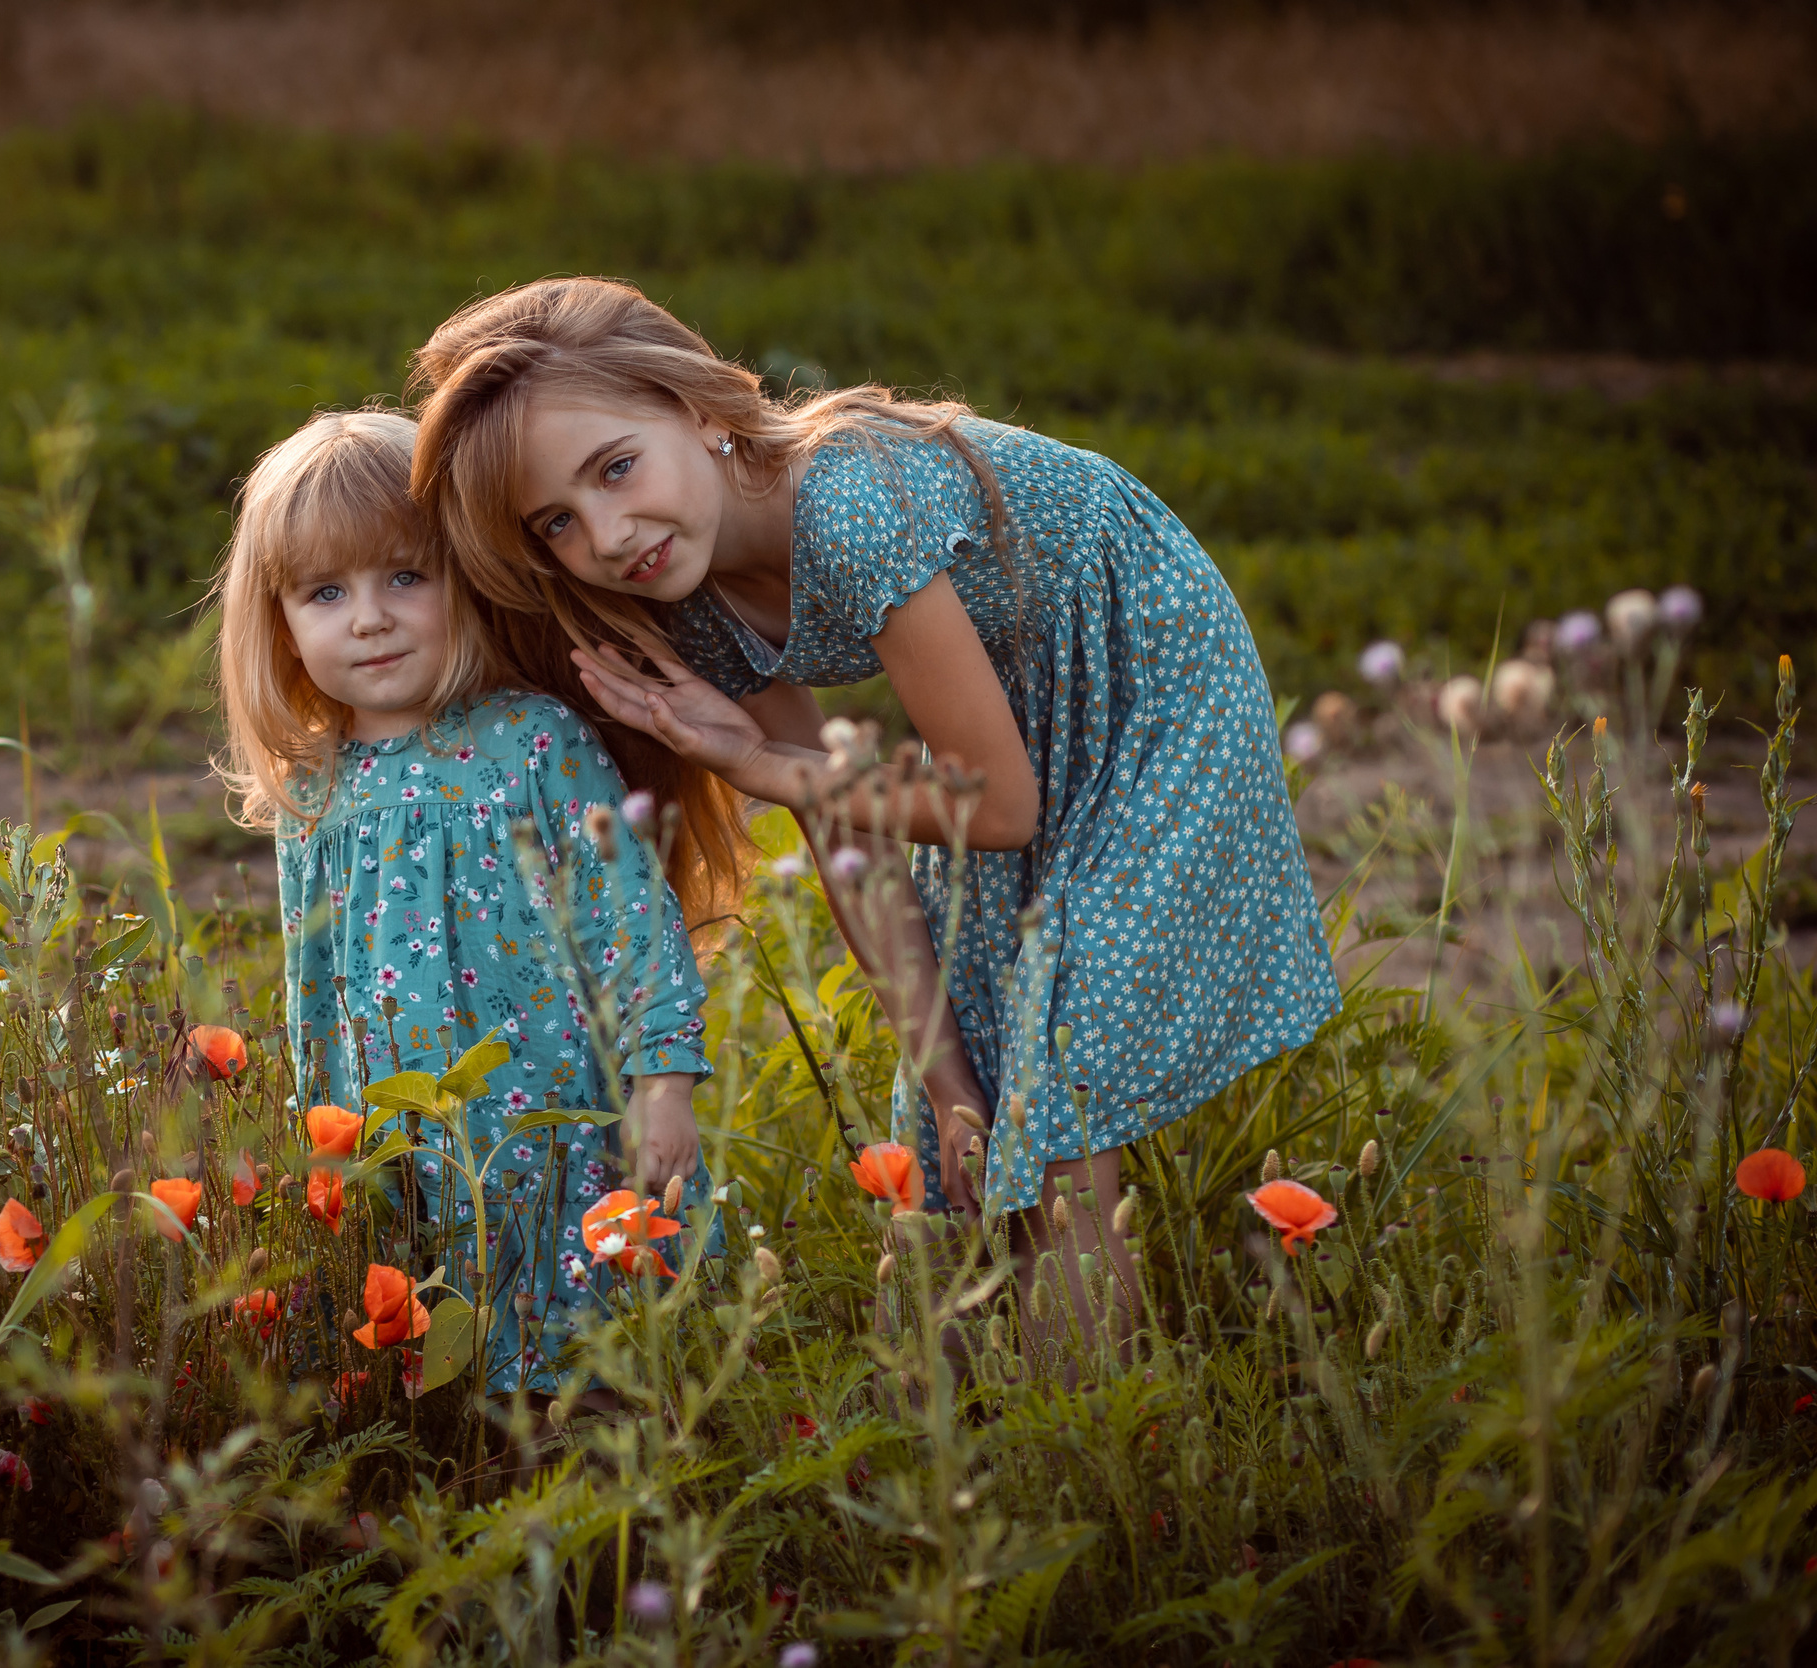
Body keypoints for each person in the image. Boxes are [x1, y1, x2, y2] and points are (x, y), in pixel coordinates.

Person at [407, 279, 1338, 1347]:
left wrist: (759, 762)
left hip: (1150, 669)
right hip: (1011, 709)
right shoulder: (685, 589)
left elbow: (990, 809)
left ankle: (1085, 1435)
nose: (609, 534)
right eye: (558, 522)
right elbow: (845, 840)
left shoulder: (847, 500)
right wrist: (945, 1083)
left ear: (699, 411)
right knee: (980, 1090)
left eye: (616, 468)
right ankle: (977, 1412)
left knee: (1062, 1077)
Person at [213, 407, 721, 1393]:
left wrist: (663, 1080)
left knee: (594, 1385)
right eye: (326, 591)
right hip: (400, 1137)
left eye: (406, 576)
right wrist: (321, 1139)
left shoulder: (534, 741)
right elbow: (311, 982)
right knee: (436, 1366)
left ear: (467, 576)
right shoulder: (311, 789)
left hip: (555, 1125)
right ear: (277, 622)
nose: (369, 616)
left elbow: (630, 917)